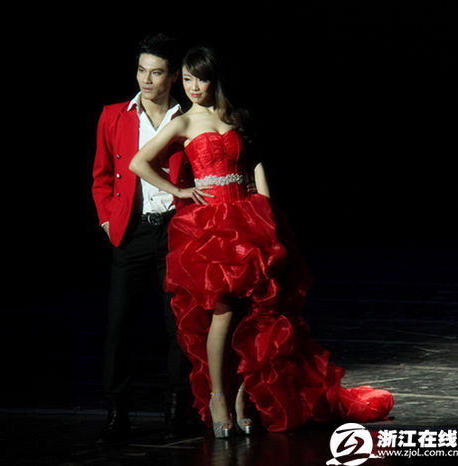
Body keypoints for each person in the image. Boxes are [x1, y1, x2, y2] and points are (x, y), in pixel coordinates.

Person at [129, 46, 394, 438]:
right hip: (211, 228)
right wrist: (180, 191)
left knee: (254, 315)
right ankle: (219, 397)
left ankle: (241, 399)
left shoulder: (235, 117)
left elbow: (254, 163)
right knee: (222, 312)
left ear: (214, 78)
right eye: (186, 79)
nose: (193, 86)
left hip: (248, 219)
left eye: (200, 78)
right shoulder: (183, 122)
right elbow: (138, 162)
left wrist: (266, 212)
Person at [91, 33, 194, 443]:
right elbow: (101, 176)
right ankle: (116, 413)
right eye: (141, 70)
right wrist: (107, 221)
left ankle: (177, 410)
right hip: (130, 231)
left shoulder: (187, 119)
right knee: (119, 324)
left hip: (175, 232)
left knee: (178, 326)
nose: (146, 80)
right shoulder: (113, 115)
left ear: (174, 76)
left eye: (156, 72)